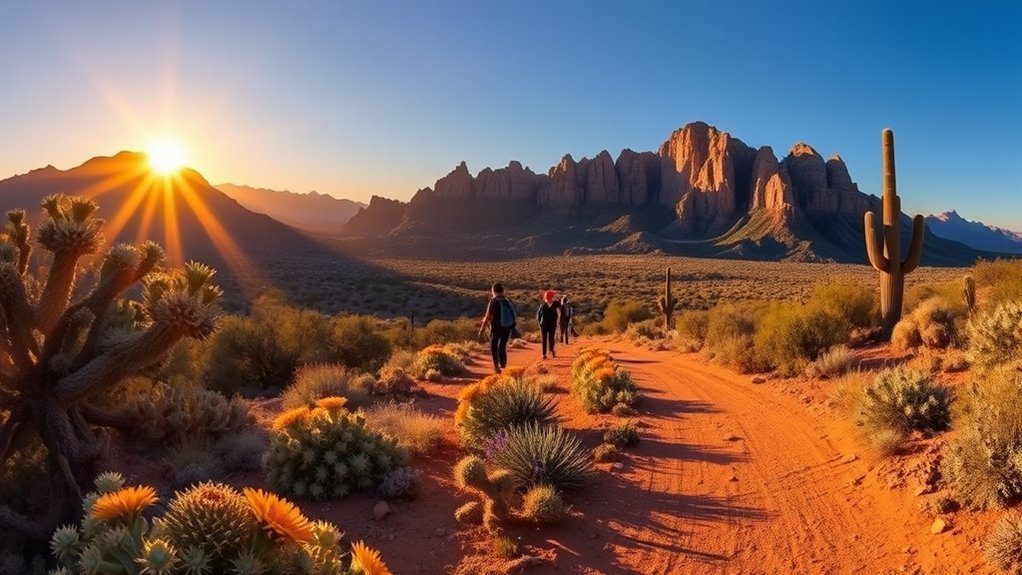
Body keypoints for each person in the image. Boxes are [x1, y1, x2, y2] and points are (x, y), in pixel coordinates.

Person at [479, 283, 516, 374]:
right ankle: (503, 365)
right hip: (507, 327)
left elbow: (487, 317)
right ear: (502, 291)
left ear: (493, 291)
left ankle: (496, 367)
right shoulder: (507, 300)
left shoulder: (494, 301)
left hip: (496, 327)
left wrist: (482, 330)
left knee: (494, 346)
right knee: (503, 346)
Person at [536, 289, 561, 359]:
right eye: (553, 296)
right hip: (548, 324)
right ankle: (547, 353)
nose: (554, 297)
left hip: (547, 324)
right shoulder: (550, 305)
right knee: (547, 338)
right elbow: (559, 313)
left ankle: (548, 352)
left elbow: (538, 316)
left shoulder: (544, 305)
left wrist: (539, 322)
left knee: (548, 338)